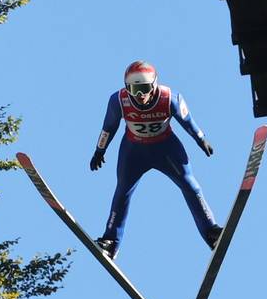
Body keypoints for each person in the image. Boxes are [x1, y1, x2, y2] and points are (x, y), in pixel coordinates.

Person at [90, 61, 221, 260]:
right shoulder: (119, 100)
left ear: (154, 85)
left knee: (190, 185)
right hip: (134, 152)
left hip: (165, 148)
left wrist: (201, 139)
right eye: (134, 89)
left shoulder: (170, 98)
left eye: (144, 88)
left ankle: (211, 232)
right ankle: (110, 242)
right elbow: (109, 126)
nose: (139, 95)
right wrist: (100, 150)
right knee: (122, 191)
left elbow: (187, 121)